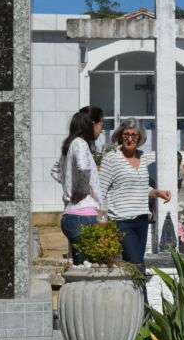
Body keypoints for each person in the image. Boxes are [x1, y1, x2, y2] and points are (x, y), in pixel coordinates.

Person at [99, 118, 170, 267]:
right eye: (126, 135)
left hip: (142, 218)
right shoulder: (111, 158)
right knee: (135, 261)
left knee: (135, 262)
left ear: (140, 138)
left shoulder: (142, 157)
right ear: (120, 136)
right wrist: (102, 220)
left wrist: (157, 192)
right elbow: (100, 191)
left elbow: (142, 187)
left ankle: (133, 290)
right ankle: (140, 288)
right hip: (121, 220)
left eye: (134, 135)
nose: (129, 139)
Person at [55, 109, 106, 265]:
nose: (102, 129)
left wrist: (69, 187)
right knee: (89, 269)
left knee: (81, 267)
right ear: (92, 124)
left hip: (72, 214)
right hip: (84, 216)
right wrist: (81, 190)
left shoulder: (69, 144)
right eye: (101, 124)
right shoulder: (80, 143)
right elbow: (83, 167)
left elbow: (55, 171)